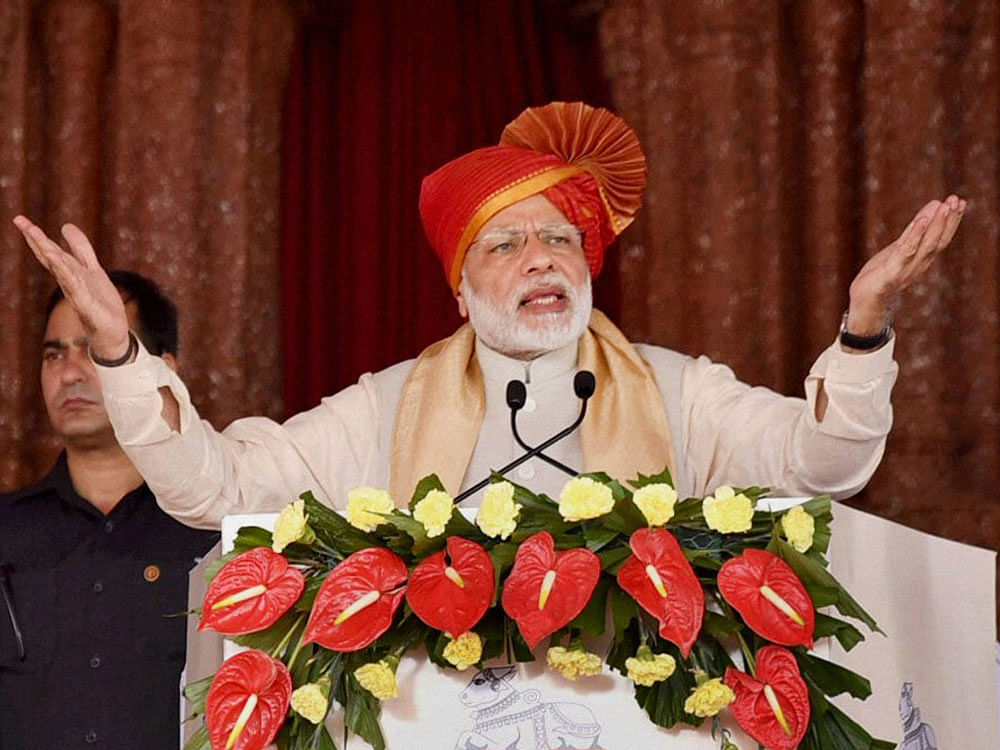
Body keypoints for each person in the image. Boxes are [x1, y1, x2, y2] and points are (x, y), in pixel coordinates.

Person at [12, 102, 965, 530]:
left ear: (588, 264)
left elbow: (825, 463)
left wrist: (866, 326)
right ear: (460, 291)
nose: (540, 258)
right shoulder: (383, 408)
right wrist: (118, 352)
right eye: (504, 246)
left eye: (557, 239)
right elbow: (214, 492)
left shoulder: (682, 392)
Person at [0, 272, 219, 749]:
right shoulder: (8, 531)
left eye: (95, 350)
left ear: (164, 371)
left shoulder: (214, 534)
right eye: (54, 353)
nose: (70, 372)